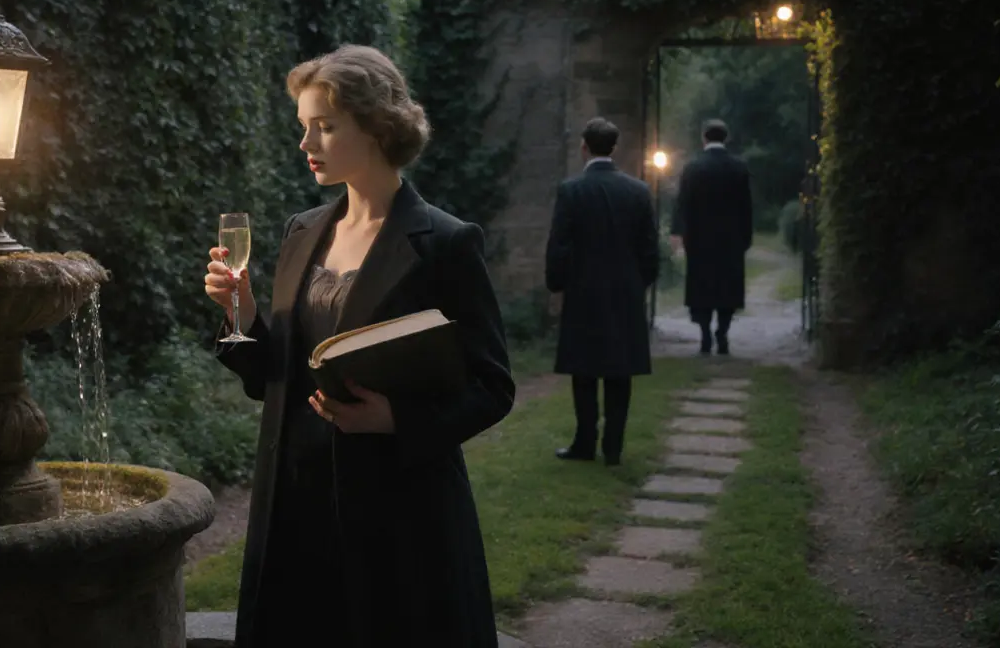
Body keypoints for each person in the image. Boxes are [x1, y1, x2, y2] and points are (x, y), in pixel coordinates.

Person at [203, 44, 515, 648]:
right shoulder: (302, 229)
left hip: (398, 511)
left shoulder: (445, 242)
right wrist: (239, 315)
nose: (306, 144)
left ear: (375, 125)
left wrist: (395, 418)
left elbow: (493, 387)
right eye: (304, 127)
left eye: (324, 127)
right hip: (294, 501)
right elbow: (276, 372)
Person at [545, 117, 659, 466]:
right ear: (614, 147)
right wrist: (642, 281)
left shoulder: (571, 190)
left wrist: (558, 281)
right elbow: (649, 248)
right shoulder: (638, 191)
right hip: (625, 292)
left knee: (584, 371)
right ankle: (613, 446)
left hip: (584, 290)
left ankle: (585, 442)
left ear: (584, 147)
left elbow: (559, 245)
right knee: (618, 372)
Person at [669, 119, 753, 355]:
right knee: (727, 288)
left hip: (699, 239)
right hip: (730, 239)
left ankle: (705, 335)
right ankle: (722, 333)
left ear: (704, 138)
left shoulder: (693, 168)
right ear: (725, 138)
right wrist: (745, 238)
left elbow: (682, 203)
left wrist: (678, 232)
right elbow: (746, 207)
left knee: (701, 287)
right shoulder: (738, 168)